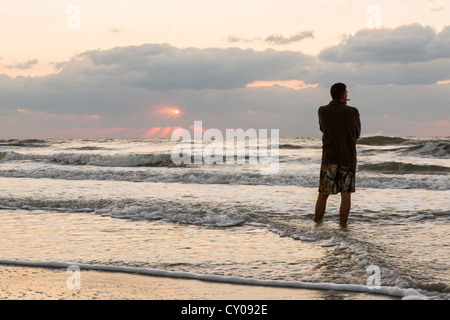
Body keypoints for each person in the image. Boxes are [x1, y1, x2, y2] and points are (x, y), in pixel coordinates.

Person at [314, 83, 361, 228]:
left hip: (329, 158)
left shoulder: (322, 110)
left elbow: (323, 128)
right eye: (346, 93)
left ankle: (317, 224)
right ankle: (342, 227)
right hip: (348, 158)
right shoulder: (353, 111)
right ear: (343, 95)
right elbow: (357, 134)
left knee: (323, 194)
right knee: (345, 195)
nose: (347, 95)